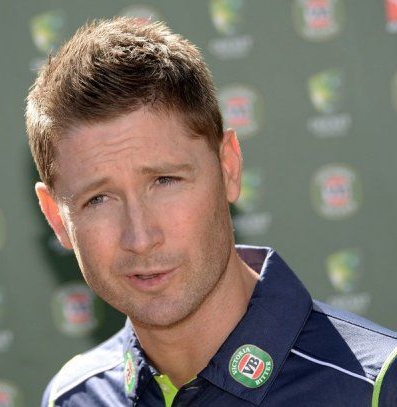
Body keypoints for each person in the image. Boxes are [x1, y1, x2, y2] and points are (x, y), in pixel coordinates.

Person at [25, 17, 397, 407]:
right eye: (98, 199)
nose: (141, 237)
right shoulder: (74, 397)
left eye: (165, 181)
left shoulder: (376, 389)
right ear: (56, 218)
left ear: (228, 169)